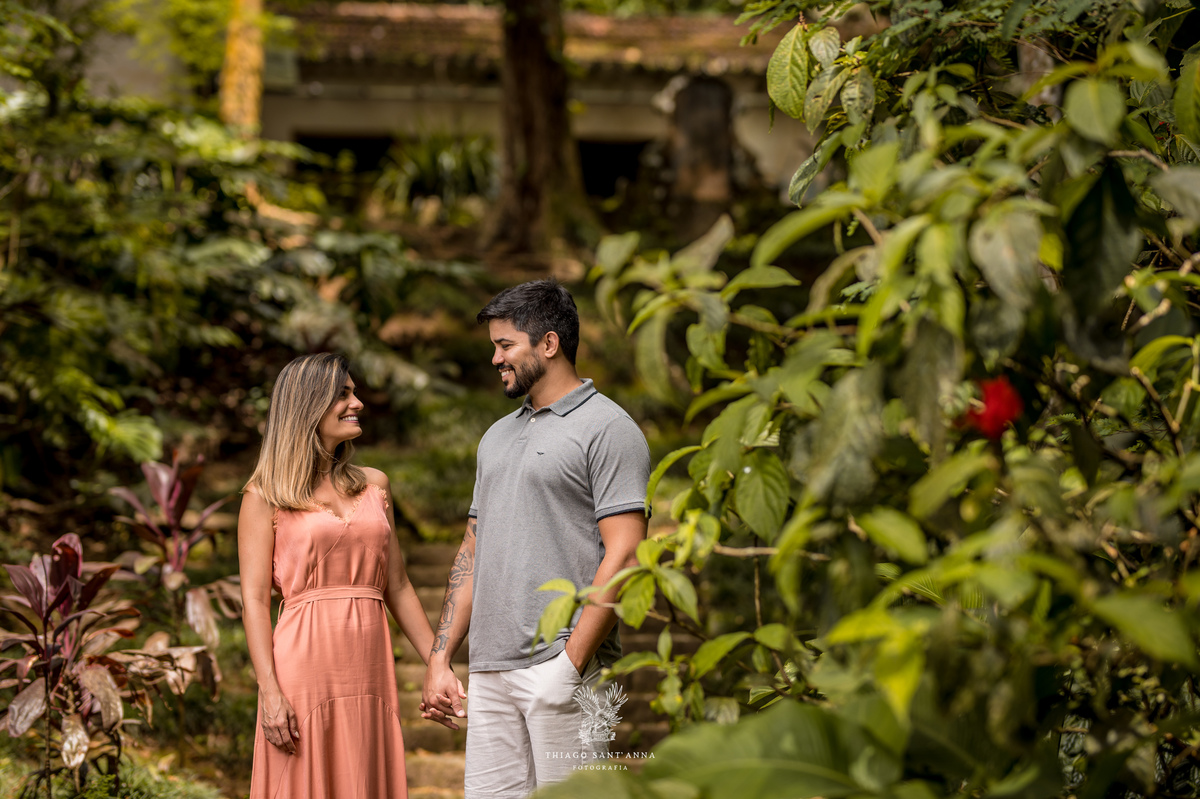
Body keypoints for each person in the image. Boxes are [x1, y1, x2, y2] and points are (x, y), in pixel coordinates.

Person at [421, 280, 651, 798]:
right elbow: (472, 551)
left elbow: (626, 551)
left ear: (549, 343)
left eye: (506, 345)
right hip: (489, 672)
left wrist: (569, 666)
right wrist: (441, 658)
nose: (496, 359)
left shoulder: (608, 428)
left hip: (563, 666)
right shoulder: (496, 437)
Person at [239, 352, 460, 799]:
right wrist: (270, 690)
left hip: (369, 667)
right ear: (308, 404)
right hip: (302, 668)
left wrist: (437, 664)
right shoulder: (265, 494)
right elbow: (255, 601)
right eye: (343, 394)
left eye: (354, 393)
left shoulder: (375, 484)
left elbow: (398, 586)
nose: (357, 403)